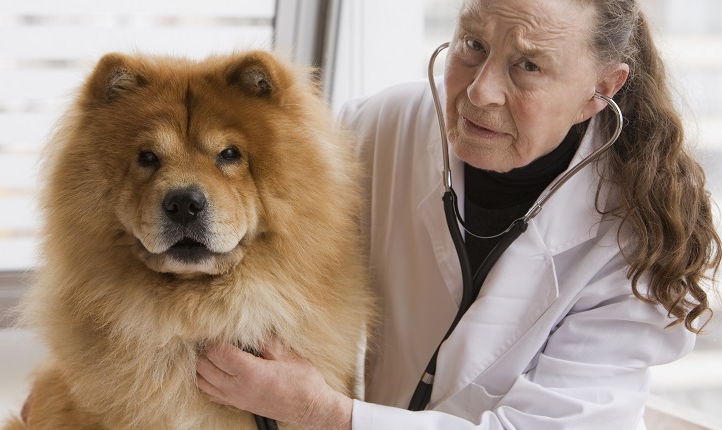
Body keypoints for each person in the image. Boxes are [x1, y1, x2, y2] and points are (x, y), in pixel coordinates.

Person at [195, 0, 721, 428]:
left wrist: (324, 413)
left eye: (528, 65)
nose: (479, 91)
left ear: (600, 91)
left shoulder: (634, 238)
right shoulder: (380, 128)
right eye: (473, 45)